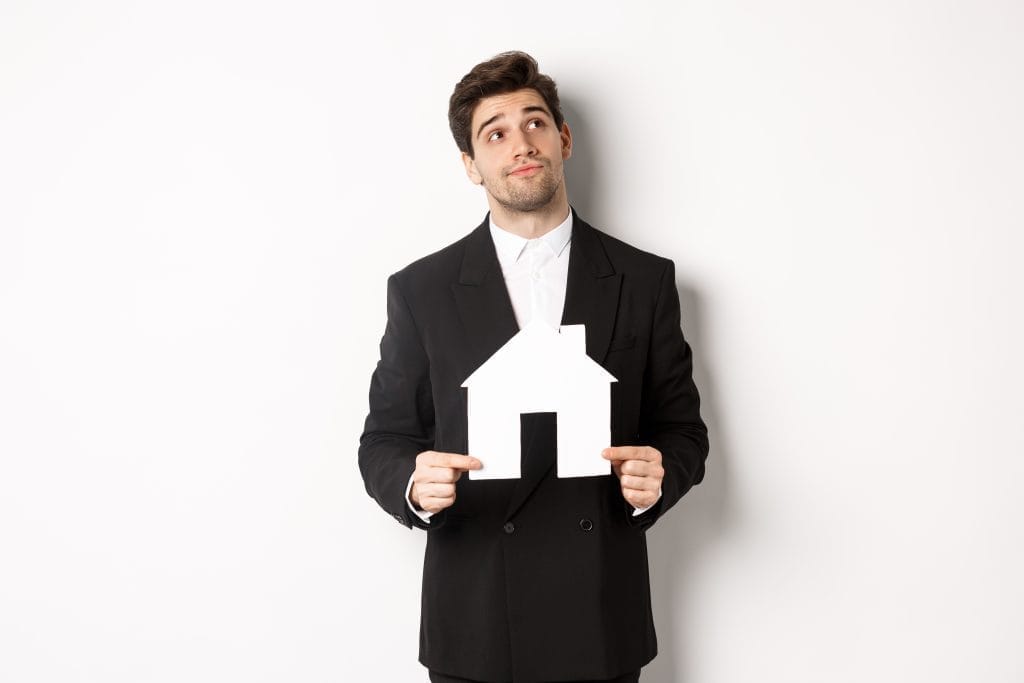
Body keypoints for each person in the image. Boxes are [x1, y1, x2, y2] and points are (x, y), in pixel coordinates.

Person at [359, 51, 709, 683]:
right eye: (494, 132)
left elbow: (684, 432)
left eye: (535, 122)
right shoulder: (421, 290)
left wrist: (661, 476)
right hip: (476, 621)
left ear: (563, 139)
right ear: (471, 165)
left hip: (600, 618)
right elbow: (383, 439)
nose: (520, 142)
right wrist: (412, 486)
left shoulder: (645, 279)